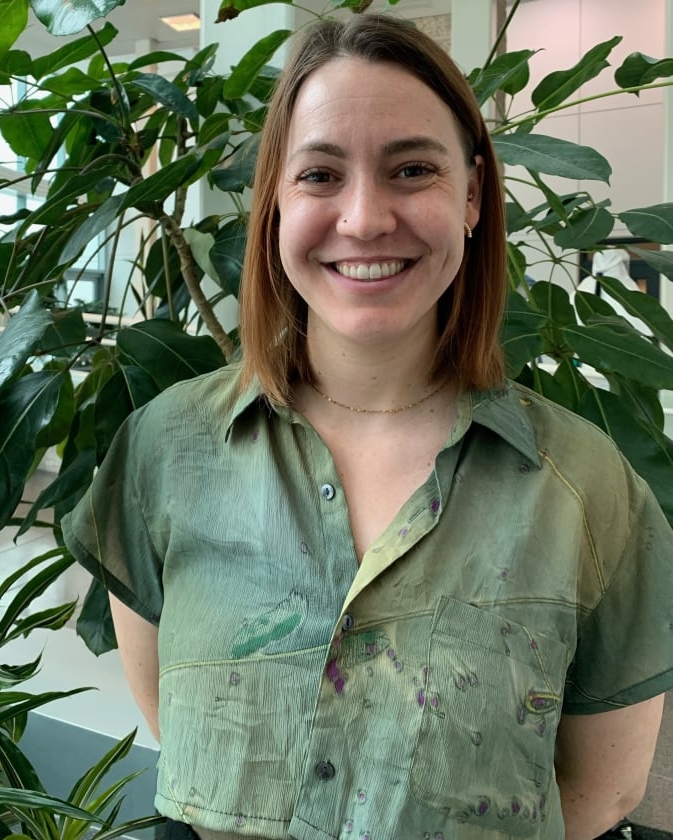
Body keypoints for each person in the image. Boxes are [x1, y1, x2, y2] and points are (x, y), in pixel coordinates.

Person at [62, 13, 673, 840]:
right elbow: (186, 732)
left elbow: (600, 792)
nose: (363, 219)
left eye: (411, 169)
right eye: (320, 175)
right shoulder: (163, 449)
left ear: (470, 197)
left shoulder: (586, 484)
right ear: (275, 200)